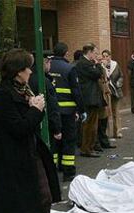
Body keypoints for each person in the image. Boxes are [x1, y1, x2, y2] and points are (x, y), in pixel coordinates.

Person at [0, 48, 62, 213]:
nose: (31, 71)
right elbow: (19, 128)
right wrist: (36, 110)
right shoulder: (4, 95)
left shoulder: (24, 89)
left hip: (31, 155)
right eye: (28, 67)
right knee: (12, 207)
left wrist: (34, 106)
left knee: (44, 198)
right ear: (17, 71)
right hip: (12, 160)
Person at [49, 42, 84, 181]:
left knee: (54, 140)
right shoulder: (69, 68)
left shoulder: (47, 66)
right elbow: (76, 91)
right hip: (67, 111)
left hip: (51, 110)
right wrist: (81, 109)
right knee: (69, 140)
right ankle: (68, 171)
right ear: (66, 53)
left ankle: (53, 167)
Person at [28, 52, 62, 177]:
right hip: (44, 124)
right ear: (45, 62)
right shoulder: (44, 82)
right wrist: (57, 128)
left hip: (32, 125)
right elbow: (52, 107)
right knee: (50, 153)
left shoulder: (28, 80)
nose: (50, 65)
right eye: (49, 62)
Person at [76, 43, 104, 158]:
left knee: (92, 124)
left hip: (91, 97)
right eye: (95, 53)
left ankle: (89, 147)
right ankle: (86, 148)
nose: (96, 56)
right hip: (89, 98)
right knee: (89, 125)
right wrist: (98, 64)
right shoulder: (84, 64)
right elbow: (97, 74)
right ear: (89, 52)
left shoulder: (86, 63)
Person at [95, 53, 115, 151]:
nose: (102, 60)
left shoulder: (103, 68)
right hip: (99, 96)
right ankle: (98, 142)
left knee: (104, 120)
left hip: (105, 96)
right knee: (99, 121)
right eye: (99, 59)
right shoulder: (96, 68)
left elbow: (107, 79)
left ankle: (104, 141)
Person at [102, 49, 124, 139]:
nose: (105, 58)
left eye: (107, 56)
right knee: (107, 112)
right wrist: (103, 67)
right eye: (103, 56)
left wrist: (119, 83)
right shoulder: (101, 66)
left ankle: (117, 131)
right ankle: (106, 132)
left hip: (115, 91)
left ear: (110, 56)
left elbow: (121, 75)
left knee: (116, 112)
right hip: (106, 91)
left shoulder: (115, 65)